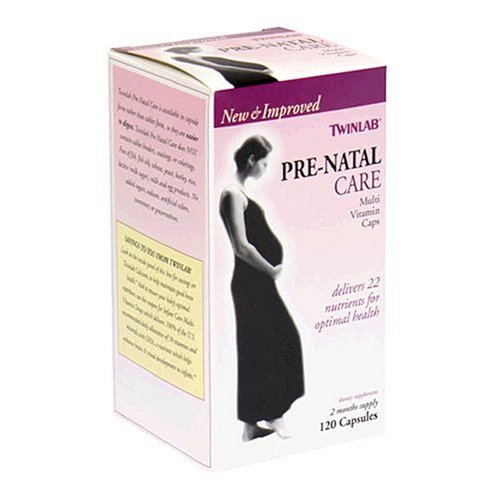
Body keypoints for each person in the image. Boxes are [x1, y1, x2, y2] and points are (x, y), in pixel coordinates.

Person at [219, 136, 305, 442]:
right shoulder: (232, 194)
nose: (266, 168)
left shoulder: (239, 193)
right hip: (251, 282)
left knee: (262, 345)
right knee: (274, 342)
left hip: (257, 283)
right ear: (252, 160)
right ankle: (273, 414)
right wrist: (271, 269)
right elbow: (241, 246)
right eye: (265, 162)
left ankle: (250, 426)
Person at [165, 46, 278, 88]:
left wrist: (258, 68)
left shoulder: (196, 55)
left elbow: (229, 62)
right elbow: (218, 66)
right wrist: (255, 71)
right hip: (237, 76)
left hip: (239, 74)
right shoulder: (181, 57)